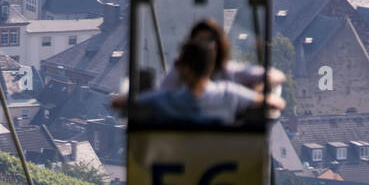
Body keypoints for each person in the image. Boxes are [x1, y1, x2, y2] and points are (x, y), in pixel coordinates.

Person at [117, 36, 285, 126]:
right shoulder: (228, 93)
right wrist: (256, 94)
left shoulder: (168, 99)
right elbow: (276, 104)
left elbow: (120, 102)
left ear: (187, 70)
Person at [156, 18, 285, 95]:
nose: (204, 49)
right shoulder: (179, 73)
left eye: (209, 43)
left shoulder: (227, 72)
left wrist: (257, 92)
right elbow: (160, 97)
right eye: (200, 42)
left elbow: (276, 75)